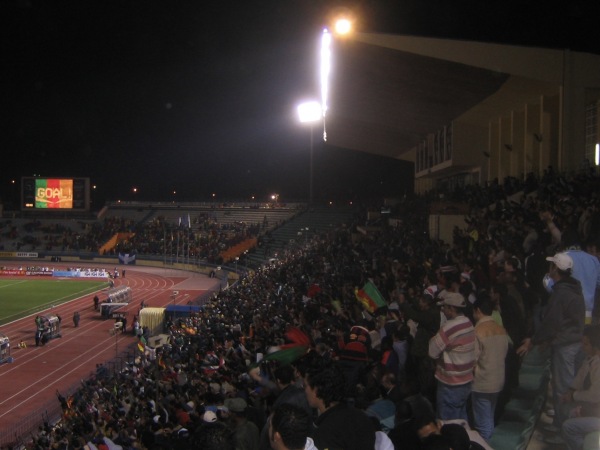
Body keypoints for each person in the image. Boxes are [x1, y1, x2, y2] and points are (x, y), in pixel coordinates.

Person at [518, 252, 586, 434]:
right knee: (568, 384)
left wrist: (534, 340)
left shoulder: (562, 293)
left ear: (555, 268)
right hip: (572, 342)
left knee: (563, 387)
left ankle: (565, 427)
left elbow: (551, 322)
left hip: (566, 346)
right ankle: (565, 422)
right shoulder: (572, 288)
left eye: (551, 266)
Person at [304, 359, 376, 450]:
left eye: (305, 386)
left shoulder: (327, 432)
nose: (305, 391)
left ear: (316, 390)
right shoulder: (361, 417)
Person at [428, 292, 475, 421]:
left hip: (451, 383)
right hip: (466, 380)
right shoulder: (468, 322)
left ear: (452, 308)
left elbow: (432, 351)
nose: (442, 310)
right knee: (461, 418)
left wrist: (435, 336)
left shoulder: (449, 327)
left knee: (448, 422)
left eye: (445, 307)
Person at [471, 294, 509, 442]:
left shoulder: (478, 331)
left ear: (478, 310)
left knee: (483, 424)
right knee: (489, 418)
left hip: (482, 383)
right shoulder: (501, 329)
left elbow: (473, 359)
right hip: (498, 379)